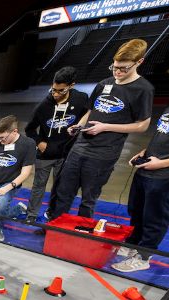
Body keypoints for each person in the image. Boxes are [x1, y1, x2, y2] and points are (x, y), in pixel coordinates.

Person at [112, 51, 169, 273]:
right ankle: (133, 244)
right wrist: (144, 151)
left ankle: (144, 256)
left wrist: (163, 163)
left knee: (154, 215)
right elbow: (166, 133)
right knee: (137, 209)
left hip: (168, 173)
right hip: (148, 166)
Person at [51, 39, 154, 219]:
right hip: (80, 147)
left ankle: (82, 231)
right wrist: (79, 125)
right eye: (115, 68)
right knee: (64, 191)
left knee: (89, 197)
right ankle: (54, 227)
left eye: (124, 69)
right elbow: (91, 111)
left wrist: (105, 127)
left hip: (104, 152)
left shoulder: (143, 89)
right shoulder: (105, 84)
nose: (118, 72)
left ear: (139, 62)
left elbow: (142, 125)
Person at [24, 66, 89, 222]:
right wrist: (39, 142)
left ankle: (52, 215)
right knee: (38, 186)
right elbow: (29, 129)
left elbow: (89, 112)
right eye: (53, 90)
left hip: (67, 154)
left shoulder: (81, 98)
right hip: (45, 154)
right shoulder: (43, 106)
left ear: (71, 86)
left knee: (60, 188)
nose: (56, 94)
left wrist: (79, 127)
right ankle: (31, 215)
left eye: (61, 91)